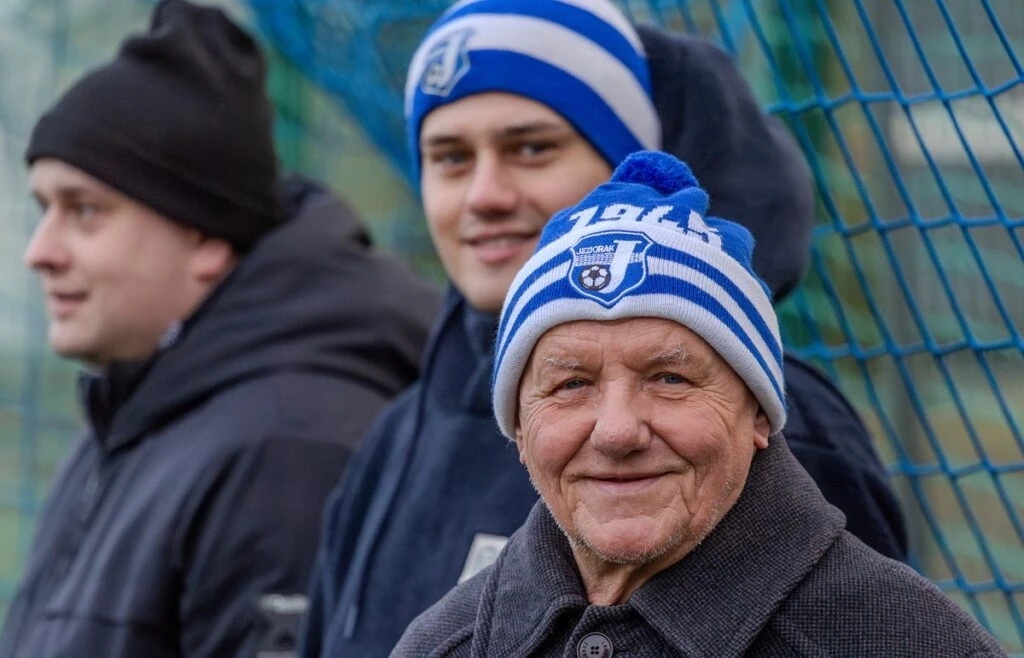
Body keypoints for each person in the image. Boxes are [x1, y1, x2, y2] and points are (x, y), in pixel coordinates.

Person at [301, 2, 906, 655]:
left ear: (629, 166)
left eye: (531, 148)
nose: (484, 195)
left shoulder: (769, 431)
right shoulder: (401, 432)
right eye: (450, 158)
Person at [393, 151, 1005, 658]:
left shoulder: (903, 641)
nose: (616, 431)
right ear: (519, 430)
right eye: (571, 385)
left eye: (669, 379)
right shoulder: (443, 644)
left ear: (758, 411)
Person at [0, 2, 438, 657]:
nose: (40, 251)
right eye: (44, 209)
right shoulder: (133, 408)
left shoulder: (286, 446)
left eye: (84, 211)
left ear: (204, 235)